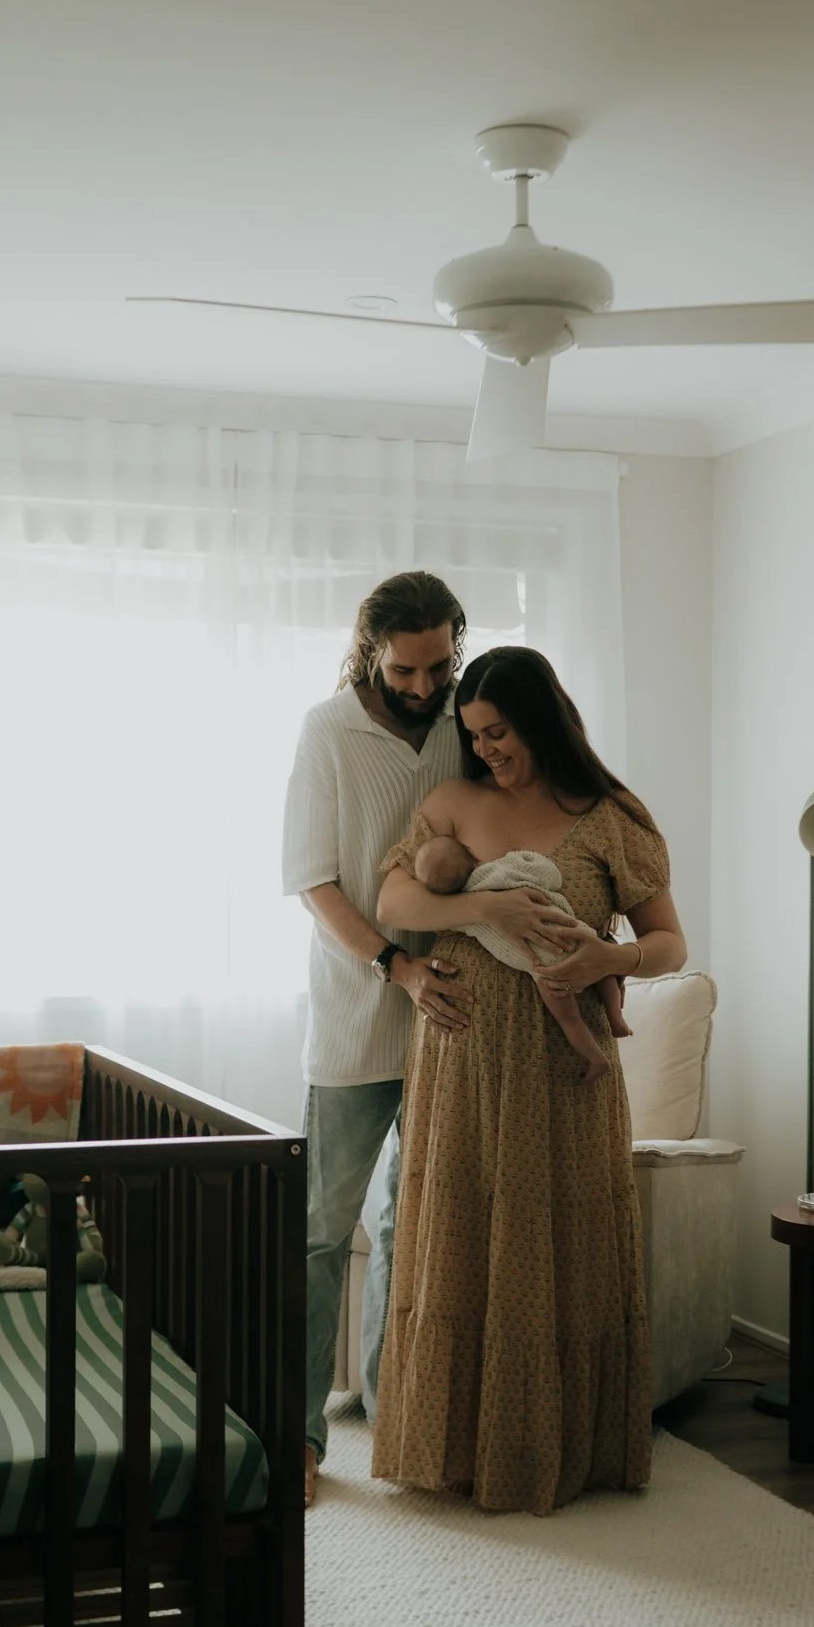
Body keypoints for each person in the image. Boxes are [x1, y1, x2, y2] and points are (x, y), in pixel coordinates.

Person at [371, 646, 687, 1515]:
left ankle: (558, 1450)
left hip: (564, 1063)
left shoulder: (612, 816)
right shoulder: (451, 802)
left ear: (542, 721)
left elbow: (669, 942)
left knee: (562, 1244)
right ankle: (455, 1451)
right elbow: (394, 906)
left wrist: (610, 958)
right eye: (474, 736)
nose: (487, 751)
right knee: (461, 1238)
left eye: (499, 733)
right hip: (462, 1055)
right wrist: (487, 908)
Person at [281, 570, 483, 1508]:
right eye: (405, 670)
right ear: (371, 653)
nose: (423, 685)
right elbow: (314, 881)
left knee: (416, 1227)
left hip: (454, 1019)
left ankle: (396, 1413)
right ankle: (296, 1434)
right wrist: (393, 966)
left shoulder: (464, 722)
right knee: (319, 1233)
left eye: (438, 666)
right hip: (355, 1018)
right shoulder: (327, 729)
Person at [412, 831, 630, 1083]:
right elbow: (550, 875)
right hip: (570, 934)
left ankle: (595, 1058)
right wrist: (526, 857)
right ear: (473, 857)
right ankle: (615, 1017)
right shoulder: (503, 869)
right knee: (603, 970)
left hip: (545, 971)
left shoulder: (463, 914)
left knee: (569, 1019)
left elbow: (434, 918)